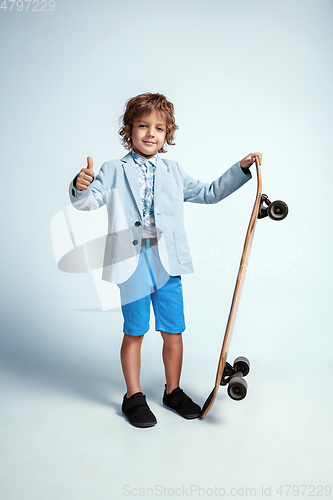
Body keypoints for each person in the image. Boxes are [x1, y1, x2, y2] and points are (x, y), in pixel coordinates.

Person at [69, 92, 262, 428]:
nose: (150, 133)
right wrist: (80, 186)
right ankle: (133, 396)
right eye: (142, 125)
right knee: (135, 332)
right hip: (132, 264)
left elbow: (209, 192)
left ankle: (173, 391)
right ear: (129, 130)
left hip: (167, 263)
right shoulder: (114, 170)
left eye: (158, 128)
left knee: (174, 331)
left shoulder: (174, 170)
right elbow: (87, 203)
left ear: (167, 134)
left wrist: (241, 169)